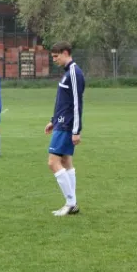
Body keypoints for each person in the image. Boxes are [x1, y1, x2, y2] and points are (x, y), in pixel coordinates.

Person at [45, 42, 85, 216]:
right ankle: (72, 204)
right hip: (60, 122)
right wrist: (53, 120)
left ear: (66, 53)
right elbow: (63, 101)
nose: (54, 60)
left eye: (56, 56)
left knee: (53, 162)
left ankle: (70, 203)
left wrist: (76, 130)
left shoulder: (74, 73)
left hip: (67, 124)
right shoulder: (67, 73)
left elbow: (77, 103)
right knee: (66, 161)